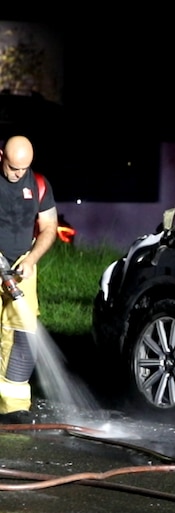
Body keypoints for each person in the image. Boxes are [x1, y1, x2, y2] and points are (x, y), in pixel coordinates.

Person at [0, 135, 59, 424]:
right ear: (1, 156)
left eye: (23, 169)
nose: (18, 174)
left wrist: (32, 259)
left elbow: (49, 226)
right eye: (13, 168)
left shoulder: (38, 184)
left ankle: (13, 408)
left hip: (22, 266)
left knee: (23, 337)